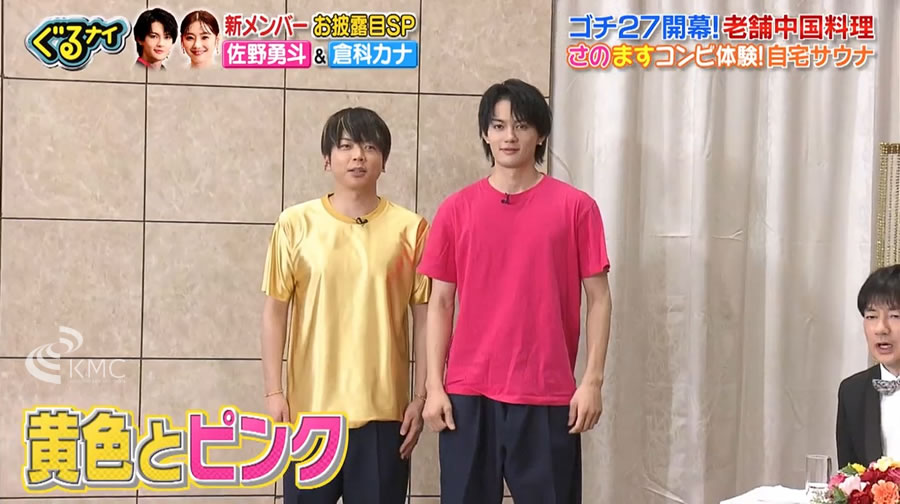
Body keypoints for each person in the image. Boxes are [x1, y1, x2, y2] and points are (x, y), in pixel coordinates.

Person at [418, 78, 612, 504]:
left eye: (521, 125)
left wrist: (592, 381)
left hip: (546, 391)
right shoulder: (455, 210)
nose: (509, 136)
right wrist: (434, 386)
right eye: (499, 125)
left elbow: (599, 299)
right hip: (468, 394)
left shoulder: (576, 207)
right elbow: (441, 303)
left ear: (540, 134)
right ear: (485, 133)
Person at [260, 107, 430, 503]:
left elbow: (425, 320)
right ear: (327, 159)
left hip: (384, 416)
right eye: (346, 146)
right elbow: (274, 312)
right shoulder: (294, 224)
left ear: (384, 160)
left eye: (369, 147)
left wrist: (420, 398)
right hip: (310, 414)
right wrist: (273, 392)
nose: (358, 156)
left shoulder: (411, 229)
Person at [836, 264, 900, 467]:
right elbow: (849, 477)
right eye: (871, 316)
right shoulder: (852, 392)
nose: (881, 328)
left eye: (895, 316)